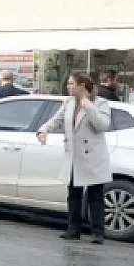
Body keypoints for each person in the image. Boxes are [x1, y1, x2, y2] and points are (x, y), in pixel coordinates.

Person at [36, 73, 113, 244]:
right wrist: (44, 130)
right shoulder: (69, 103)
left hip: (92, 156)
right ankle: (73, 229)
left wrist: (89, 106)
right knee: (73, 195)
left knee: (95, 196)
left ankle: (98, 232)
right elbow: (56, 120)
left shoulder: (101, 103)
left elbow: (102, 125)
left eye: (71, 84)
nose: (68, 87)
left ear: (82, 86)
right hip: (74, 155)